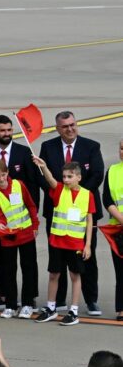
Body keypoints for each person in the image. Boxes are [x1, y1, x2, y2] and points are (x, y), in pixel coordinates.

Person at [38, 111, 104, 316]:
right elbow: (43, 178)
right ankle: (58, 301)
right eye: (65, 126)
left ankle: (91, 300)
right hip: (57, 214)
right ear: (57, 128)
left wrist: (78, 195)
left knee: (87, 258)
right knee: (58, 259)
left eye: (73, 124)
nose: (70, 129)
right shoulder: (47, 148)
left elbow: (97, 175)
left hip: (83, 212)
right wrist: (61, 196)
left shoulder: (91, 146)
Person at [33, 157, 95, 326]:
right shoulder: (60, 190)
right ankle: (51, 308)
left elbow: (89, 221)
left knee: (75, 275)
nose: (66, 179)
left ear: (79, 177)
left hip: (75, 243)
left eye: (70, 176)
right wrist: (44, 167)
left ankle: (73, 310)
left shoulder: (87, 195)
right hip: (57, 241)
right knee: (54, 274)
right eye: (65, 176)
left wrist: (87, 244)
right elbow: (50, 180)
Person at [0, 158, 40, 320]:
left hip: (26, 233)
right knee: (9, 270)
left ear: (8, 172)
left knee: (29, 268)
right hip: (8, 237)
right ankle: (10, 305)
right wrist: (0, 224)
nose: (1, 179)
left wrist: (35, 225)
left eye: (3, 175)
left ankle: (28, 303)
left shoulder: (18, 185)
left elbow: (30, 205)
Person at [103, 139, 123, 320]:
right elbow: (107, 200)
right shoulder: (112, 172)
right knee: (121, 271)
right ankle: (121, 309)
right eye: (122, 148)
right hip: (118, 229)